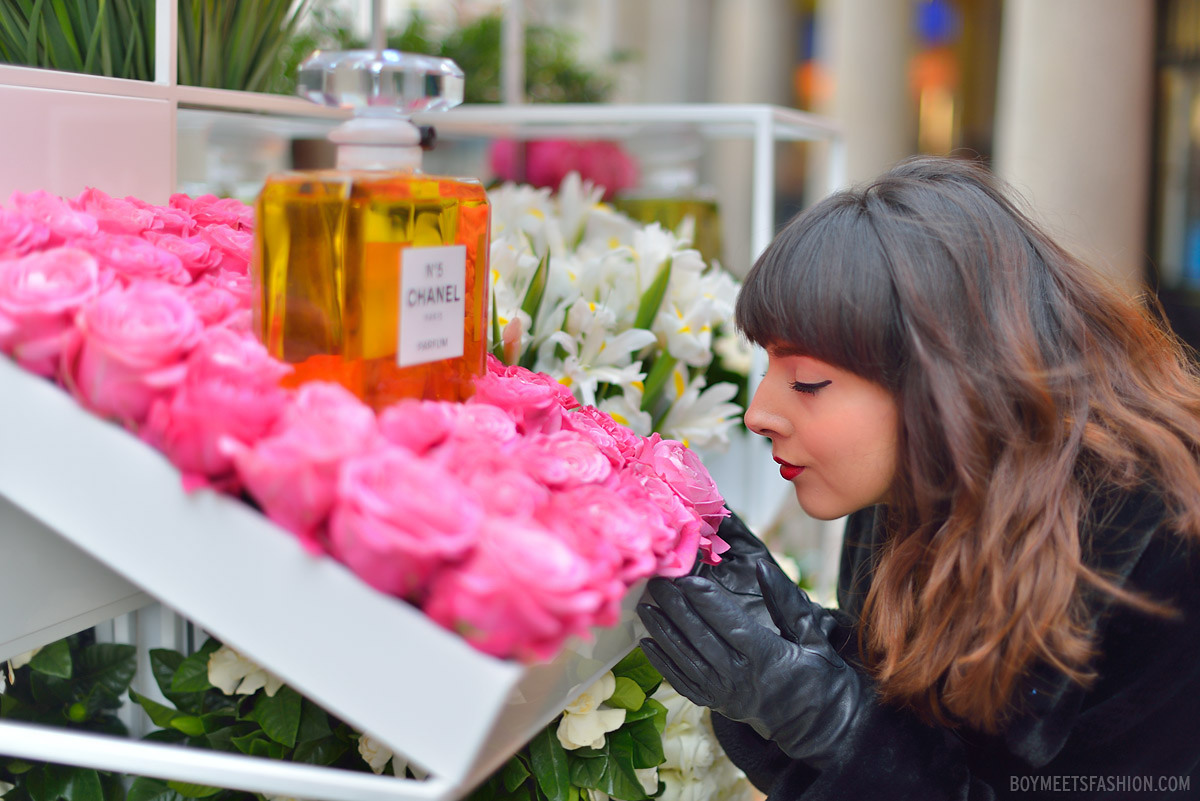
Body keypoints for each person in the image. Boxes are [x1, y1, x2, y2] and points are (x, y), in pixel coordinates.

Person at [637, 156, 1200, 799]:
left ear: (944, 382)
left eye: (808, 382)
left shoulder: (1160, 542)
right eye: (768, 366)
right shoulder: (912, 490)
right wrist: (814, 659)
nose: (759, 413)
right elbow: (938, 751)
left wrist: (828, 720)